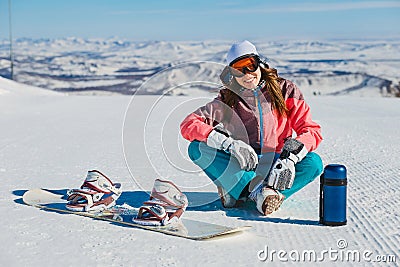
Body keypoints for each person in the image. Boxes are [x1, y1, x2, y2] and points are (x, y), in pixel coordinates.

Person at [180, 40, 323, 215]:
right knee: (197, 148)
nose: (247, 74)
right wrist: (229, 144)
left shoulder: (286, 90)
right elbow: (189, 124)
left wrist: (290, 156)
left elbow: (311, 130)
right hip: (244, 162)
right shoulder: (228, 99)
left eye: (250, 65)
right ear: (232, 73)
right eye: (239, 70)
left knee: (314, 163)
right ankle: (259, 194)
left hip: (277, 163)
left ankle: (247, 191)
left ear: (259, 63)